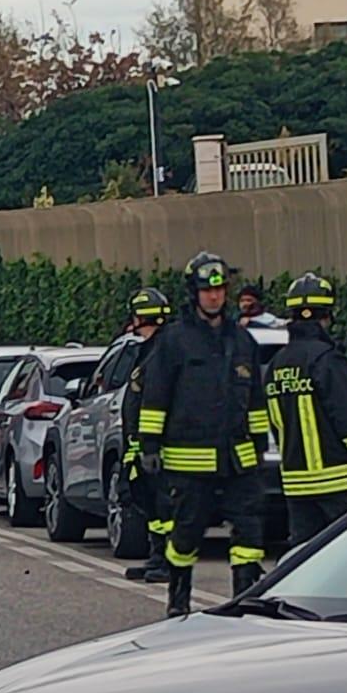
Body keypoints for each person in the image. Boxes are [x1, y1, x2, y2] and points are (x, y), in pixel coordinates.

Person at [136, 251, 269, 616]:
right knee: (185, 538)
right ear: (193, 293)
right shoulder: (174, 342)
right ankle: (178, 605)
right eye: (207, 290)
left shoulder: (243, 342)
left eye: (220, 290)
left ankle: (244, 605)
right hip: (189, 462)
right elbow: (155, 396)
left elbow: (256, 400)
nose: (214, 297)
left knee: (249, 536)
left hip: (238, 461)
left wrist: (259, 446)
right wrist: (149, 444)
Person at [267, 272, 347, 547]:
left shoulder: (277, 364)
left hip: (296, 484)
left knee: (305, 559)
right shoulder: (327, 359)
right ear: (326, 317)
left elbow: (275, 422)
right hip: (339, 483)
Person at [119, 288, 176, 584]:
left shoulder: (162, 353)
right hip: (143, 446)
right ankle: (157, 556)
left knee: (165, 507)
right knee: (152, 506)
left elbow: (156, 402)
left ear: (139, 318)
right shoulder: (150, 350)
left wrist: (150, 446)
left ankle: (168, 562)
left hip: (161, 447)